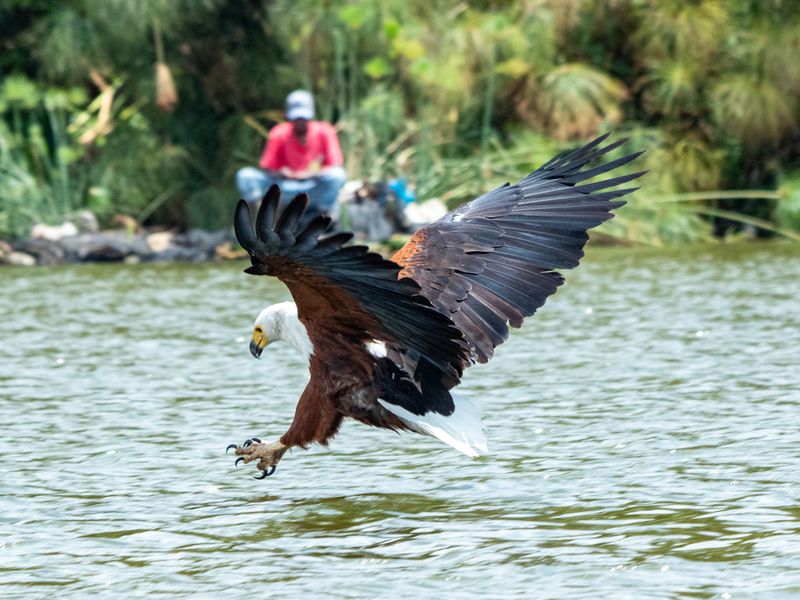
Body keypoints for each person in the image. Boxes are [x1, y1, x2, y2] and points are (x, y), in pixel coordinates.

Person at [236, 90, 346, 222]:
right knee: (245, 175)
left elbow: (335, 166)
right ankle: (259, 217)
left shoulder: (324, 131)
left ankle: (326, 215)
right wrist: (282, 173)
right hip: (284, 187)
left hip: (314, 187)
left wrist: (309, 174)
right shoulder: (279, 132)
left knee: (338, 175)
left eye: (303, 118)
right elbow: (267, 168)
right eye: (296, 118)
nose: (300, 122)